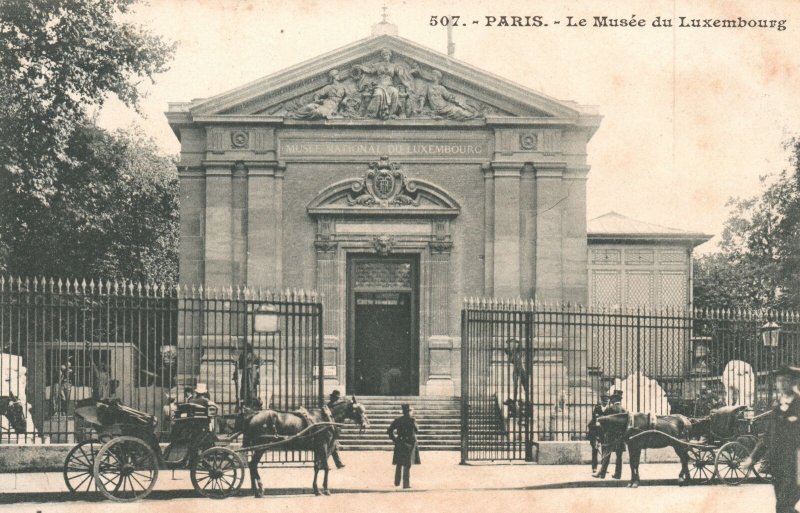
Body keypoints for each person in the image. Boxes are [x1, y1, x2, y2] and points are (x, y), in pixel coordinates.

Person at [746, 366, 800, 513]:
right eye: (779, 380)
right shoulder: (776, 407)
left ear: (794, 382)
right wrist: (753, 458)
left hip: (796, 465)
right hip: (778, 464)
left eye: (786, 380)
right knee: (783, 506)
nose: (782, 384)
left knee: (784, 505)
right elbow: (768, 436)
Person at [595, 389, 626, 479]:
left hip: (610, 435)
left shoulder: (610, 409)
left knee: (606, 454)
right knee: (619, 456)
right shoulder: (624, 410)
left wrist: (605, 432)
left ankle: (602, 473)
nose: (611, 400)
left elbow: (604, 422)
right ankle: (618, 474)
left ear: (614, 399)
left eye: (612, 398)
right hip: (621, 436)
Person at [387, 403, 420, 489]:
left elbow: (389, 431)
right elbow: (417, 430)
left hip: (400, 442)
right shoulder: (412, 420)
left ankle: (397, 482)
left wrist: (395, 440)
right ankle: (406, 484)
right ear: (410, 412)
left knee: (399, 463)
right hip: (410, 443)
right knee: (407, 464)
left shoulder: (397, 420)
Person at [587, 393, 610, 473]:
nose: (605, 403)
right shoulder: (597, 408)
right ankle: (594, 467)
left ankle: (604, 468)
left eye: (606, 401)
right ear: (601, 401)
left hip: (605, 432)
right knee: (595, 449)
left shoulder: (609, 409)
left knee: (605, 450)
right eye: (604, 401)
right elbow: (594, 419)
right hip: (596, 432)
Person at [326, 390, 346, 469]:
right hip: (330, 428)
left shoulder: (331, 405)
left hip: (334, 427)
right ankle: (323, 463)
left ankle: (338, 463)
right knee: (332, 446)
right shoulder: (331, 406)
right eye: (335, 398)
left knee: (333, 446)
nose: (336, 399)